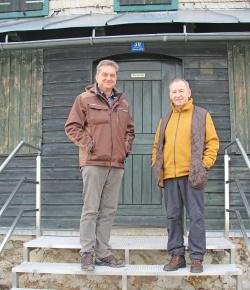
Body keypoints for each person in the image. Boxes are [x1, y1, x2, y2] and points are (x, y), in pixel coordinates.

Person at [65, 59, 135, 271]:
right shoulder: (84, 99)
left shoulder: (123, 103)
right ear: (97, 77)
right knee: (91, 209)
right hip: (93, 162)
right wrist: (90, 144)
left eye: (112, 75)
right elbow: (72, 127)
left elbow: (130, 131)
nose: (108, 78)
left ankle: (103, 252)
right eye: (104, 75)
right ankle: (87, 252)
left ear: (116, 78)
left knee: (109, 210)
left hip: (116, 165)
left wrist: (124, 150)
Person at [152, 78, 219, 273]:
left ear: (189, 93)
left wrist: (204, 164)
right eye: (174, 92)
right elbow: (157, 146)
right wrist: (156, 166)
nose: (178, 95)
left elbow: (213, 143)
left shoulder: (202, 115)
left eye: (181, 91)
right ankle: (177, 256)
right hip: (170, 176)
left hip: (192, 175)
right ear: (170, 95)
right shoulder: (165, 119)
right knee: (173, 217)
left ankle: (197, 258)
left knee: (196, 216)